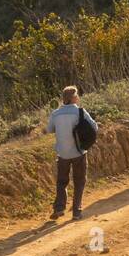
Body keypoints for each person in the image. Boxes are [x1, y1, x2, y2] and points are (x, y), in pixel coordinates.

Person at [46, 85, 97, 221]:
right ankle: (76, 212)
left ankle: (59, 208)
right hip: (78, 151)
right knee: (79, 181)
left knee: (62, 182)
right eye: (77, 95)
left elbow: (50, 129)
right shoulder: (80, 112)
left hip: (62, 153)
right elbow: (94, 126)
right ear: (74, 98)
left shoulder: (55, 113)